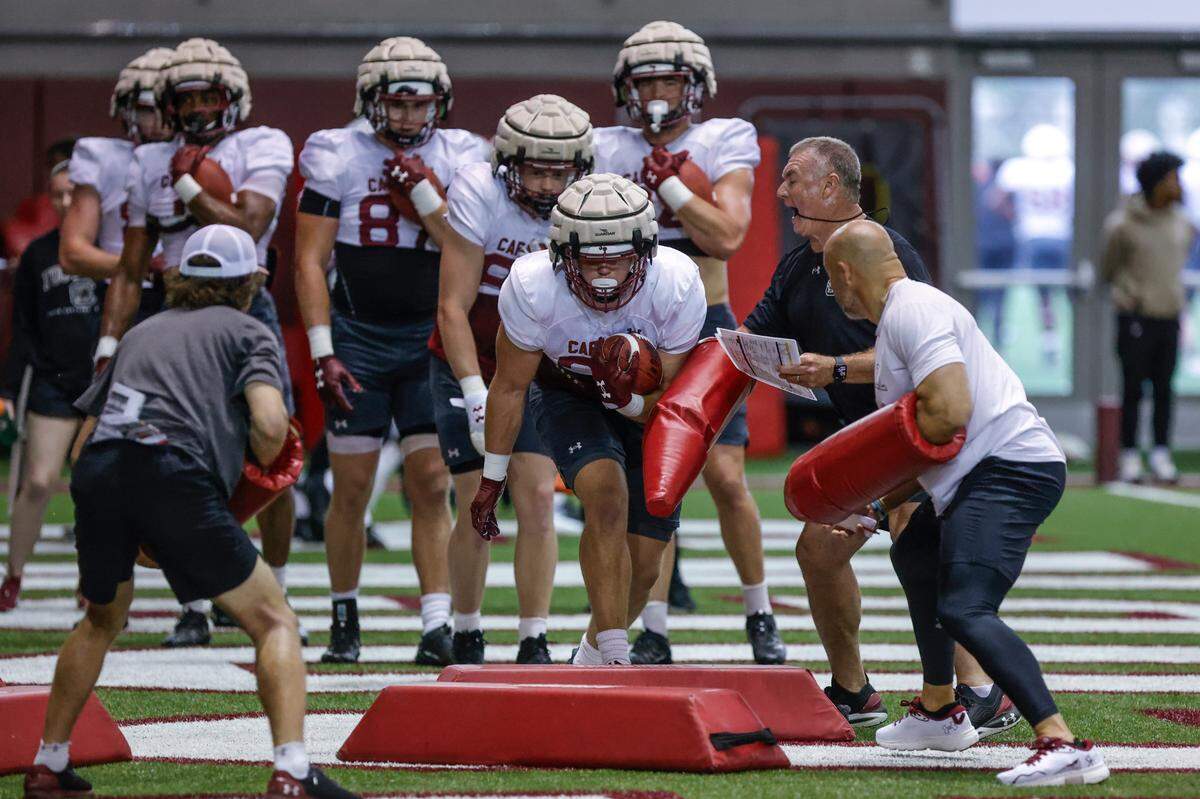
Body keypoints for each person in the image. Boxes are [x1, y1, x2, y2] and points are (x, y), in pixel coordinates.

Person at [24, 224, 357, 799]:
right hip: (171, 471)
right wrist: (254, 466)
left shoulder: (141, 330)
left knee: (102, 618)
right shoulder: (250, 330)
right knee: (275, 620)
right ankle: (293, 770)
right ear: (252, 280)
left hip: (99, 473)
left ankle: (48, 763)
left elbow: (85, 442)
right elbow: (272, 424)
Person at [820, 218, 1107, 787]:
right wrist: (875, 509)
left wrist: (866, 482)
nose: (836, 294)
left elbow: (948, 413)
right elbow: (930, 444)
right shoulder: (907, 313)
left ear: (847, 273)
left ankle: (1064, 742)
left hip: (1010, 468)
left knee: (966, 607)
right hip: (981, 469)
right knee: (914, 554)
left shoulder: (912, 312)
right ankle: (938, 711)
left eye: (834, 281)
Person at [748, 136, 1018, 738]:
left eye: (793, 178)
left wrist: (836, 367)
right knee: (818, 549)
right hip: (867, 443)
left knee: (917, 537)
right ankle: (854, 689)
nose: (782, 190)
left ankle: (977, 688)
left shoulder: (889, 254)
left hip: (918, 436)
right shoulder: (797, 265)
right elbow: (754, 335)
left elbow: (922, 357)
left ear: (830, 187)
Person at [592, 19, 784, 666]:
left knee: (727, 475)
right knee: (654, 479)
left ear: (694, 84)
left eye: (668, 79)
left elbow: (727, 237)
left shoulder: (723, 138)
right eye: (644, 80)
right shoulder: (605, 145)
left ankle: (759, 611)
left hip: (705, 320)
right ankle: (655, 626)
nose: (656, 92)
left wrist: (673, 185)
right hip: (631, 327)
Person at [97, 37, 301, 647]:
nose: (199, 110)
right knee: (175, 452)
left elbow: (251, 223)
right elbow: (131, 267)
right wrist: (109, 347)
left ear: (232, 98)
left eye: (210, 96)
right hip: (169, 303)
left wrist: (189, 187)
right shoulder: (145, 161)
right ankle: (193, 602)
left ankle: (279, 583)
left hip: (242, 301)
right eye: (186, 99)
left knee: (275, 450)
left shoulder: (261, 143)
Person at [295, 36, 490, 665]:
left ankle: (436, 621)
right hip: (357, 335)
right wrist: (324, 349)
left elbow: (468, 251)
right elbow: (308, 259)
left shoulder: (461, 155)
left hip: (427, 336)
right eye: (395, 102)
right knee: (349, 489)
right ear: (370, 101)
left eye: (419, 102)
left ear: (441, 104)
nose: (407, 116)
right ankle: (344, 615)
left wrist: (428, 196)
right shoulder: (336, 152)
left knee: (431, 481)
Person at [470, 173, 706, 666]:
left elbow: (674, 399)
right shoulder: (532, 286)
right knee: (606, 494)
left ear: (645, 250)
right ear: (560, 254)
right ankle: (618, 657)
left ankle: (592, 655)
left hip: (648, 407)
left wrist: (625, 400)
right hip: (567, 395)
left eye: (618, 258)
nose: (604, 274)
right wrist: (493, 479)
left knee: (644, 563)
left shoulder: (677, 283)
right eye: (590, 258)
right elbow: (510, 387)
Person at [431, 95, 594, 664]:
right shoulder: (477, 188)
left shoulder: (593, 203)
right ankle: (467, 629)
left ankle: (533, 635)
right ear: (507, 163)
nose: (549, 184)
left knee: (536, 502)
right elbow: (452, 306)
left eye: (560, 170)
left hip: (536, 364)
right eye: (536, 168)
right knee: (477, 495)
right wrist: (475, 391)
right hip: (470, 353)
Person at [0, 146, 95, 611]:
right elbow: (22, 330)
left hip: (104, 385)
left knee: (96, 486)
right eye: (56, 195)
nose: (63, 202)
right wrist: (7, 390)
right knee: (38, 481)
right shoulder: (38, 255)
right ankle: (14, 573)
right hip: (53, 382)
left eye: (72, 193)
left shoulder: (113, 248)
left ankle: (93, 581)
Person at [1100, 150, 1194, 484]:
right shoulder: (1123, 224)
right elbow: (1107, 269)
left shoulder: (1183, 222)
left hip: (1169, 316)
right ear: (1156, 182)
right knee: (1133, 389)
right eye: (1172, 177)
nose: (1178, 185)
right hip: (1135, 318)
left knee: (1164, 388)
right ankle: (1128, 456)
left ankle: (1161, 454)